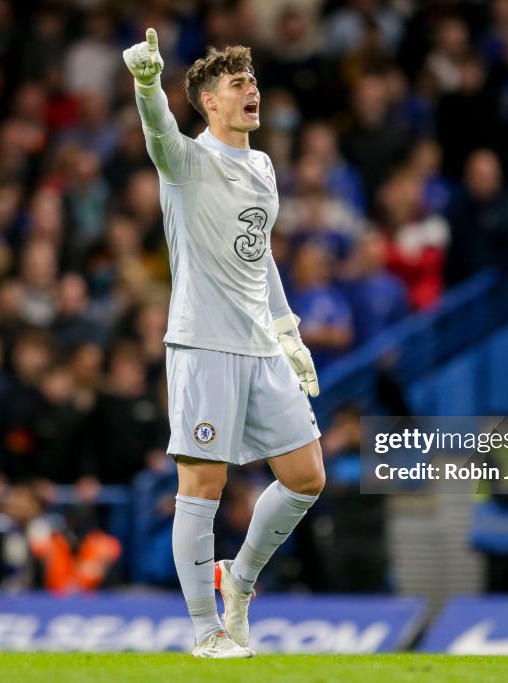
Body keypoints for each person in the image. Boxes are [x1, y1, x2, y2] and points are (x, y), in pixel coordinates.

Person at [123, 30, 324, 658]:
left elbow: (259, 258)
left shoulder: (262, 167)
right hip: (203, 346)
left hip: (261, 347)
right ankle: (207, 633)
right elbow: (158, 131)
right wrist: (148, 84)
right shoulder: (185, 162)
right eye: (238, 85)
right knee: (202, 487)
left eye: (254, 83)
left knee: (307, 476)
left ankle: (237, 581)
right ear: (209, 102)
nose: (252, 93)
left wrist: (288, 330)